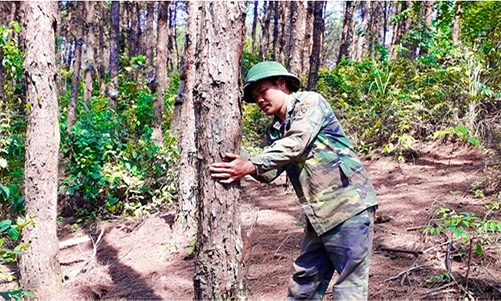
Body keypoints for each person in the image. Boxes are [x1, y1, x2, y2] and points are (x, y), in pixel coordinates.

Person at [209, 61, 378, 300]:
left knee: (349, 286)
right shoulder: (276, 130)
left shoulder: (310, 102)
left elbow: (297, 143)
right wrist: (245, 164)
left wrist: (251, 164)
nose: (259, 100)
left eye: (263, 91)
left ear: (281, 83)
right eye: (255, 96)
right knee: (304, 283)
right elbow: (269, 173)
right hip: (318, 215)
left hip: (348, 206)